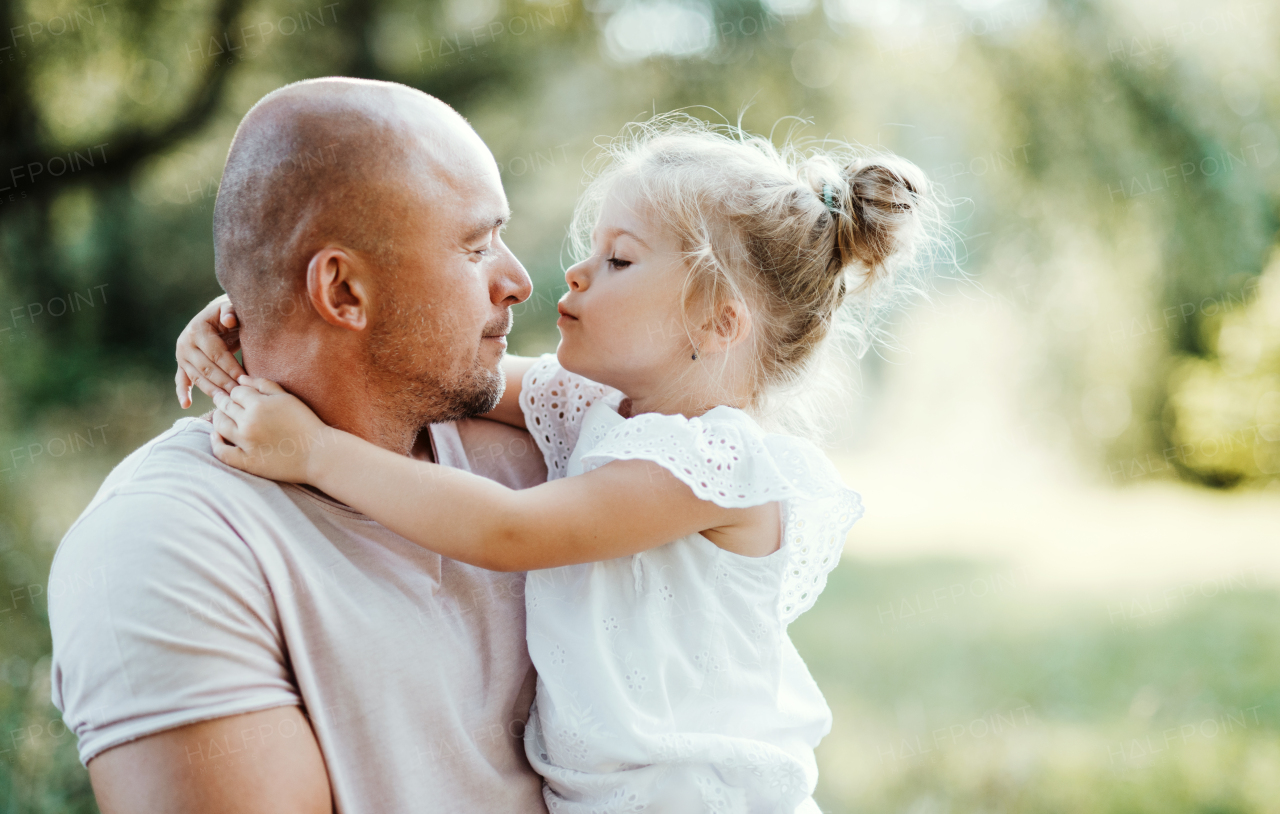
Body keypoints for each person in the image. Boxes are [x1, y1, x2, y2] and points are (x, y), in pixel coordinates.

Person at [178, 117, 938, 812]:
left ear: (718, 319)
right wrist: (258, 313)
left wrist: (315, 452)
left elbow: (510, 532)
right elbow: (426, 364)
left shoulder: (715, 464)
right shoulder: (594, 408)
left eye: (619, 259)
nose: (575, 274)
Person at [47, 77, 552, 813]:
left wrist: (267, 316)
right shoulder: (162, 546)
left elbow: (721, 442)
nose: (519, 281)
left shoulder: (537, 450)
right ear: (342, 292)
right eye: (476, 248)